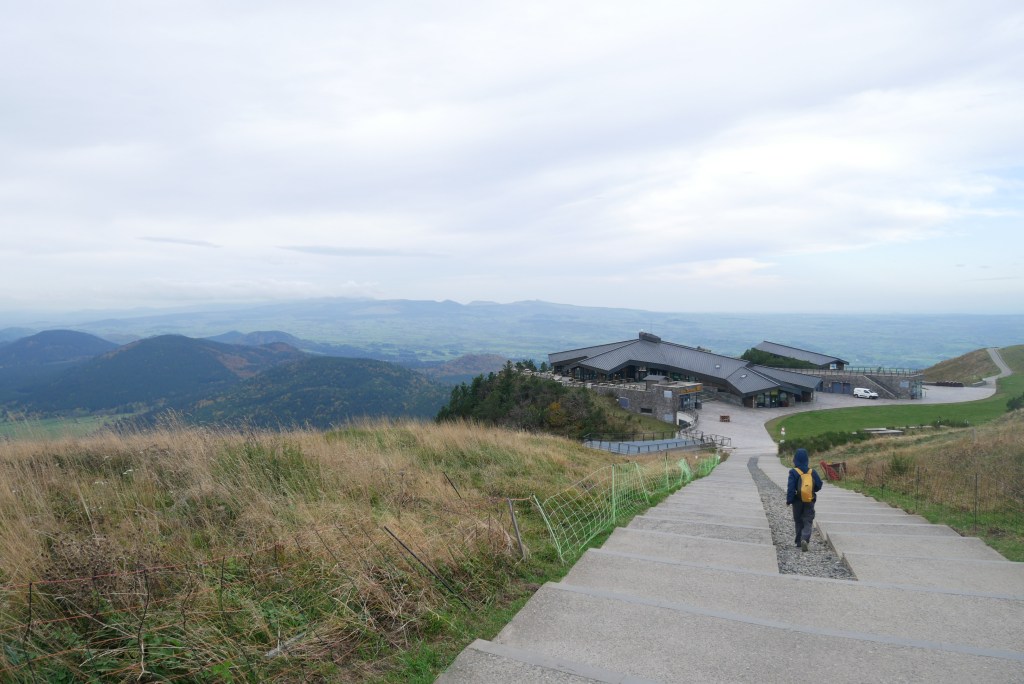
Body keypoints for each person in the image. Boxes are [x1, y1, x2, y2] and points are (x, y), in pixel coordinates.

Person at [786, 448, 823, 552]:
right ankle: (805, 539)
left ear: (795, 459)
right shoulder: (812, 472)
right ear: (807, 459)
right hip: (809, 500)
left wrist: (789, 500)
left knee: (798, 520)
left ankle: (798, 541)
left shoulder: (793, 472)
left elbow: (790, 488)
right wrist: (811, 490)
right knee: (808, 520)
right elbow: (819, 485)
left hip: (797, 500)